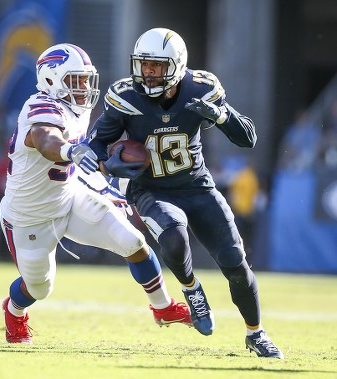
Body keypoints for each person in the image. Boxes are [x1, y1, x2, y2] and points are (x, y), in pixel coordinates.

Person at [88, 28, 283, 359]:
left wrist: (221, 115)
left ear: (176, 66)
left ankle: (256, 333)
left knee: (235, 263)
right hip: (151, 190)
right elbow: (96, 144)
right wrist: (105, 165)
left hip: (197, 187)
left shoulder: (201, 88)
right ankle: (192, 290)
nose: (147, 73)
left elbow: (247, 138)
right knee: (174, 238)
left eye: (155, 66)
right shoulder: (126, 97)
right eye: (143, 65)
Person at [0, 43, 192, 344]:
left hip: (68, 197)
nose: (85, 87)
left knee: (133, 242)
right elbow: (44, 138)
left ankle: (163, 308)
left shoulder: (80, 107)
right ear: (51, 80)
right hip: (28, 216)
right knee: (39, 287)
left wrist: (102, 184)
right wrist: (68, 150)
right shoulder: (40, 105)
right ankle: (14, 311)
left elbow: (82, 161)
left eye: (87, 79)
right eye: (76, 80)